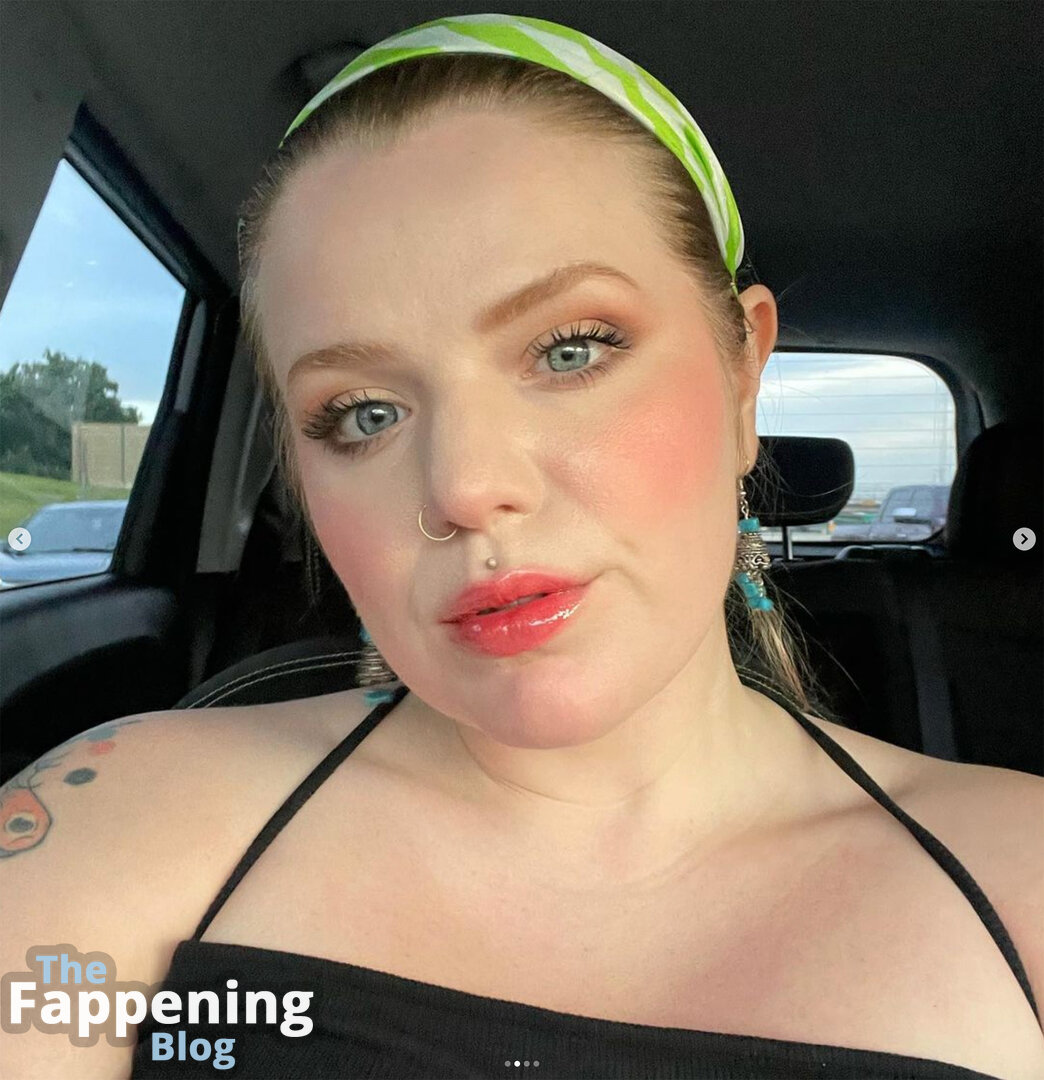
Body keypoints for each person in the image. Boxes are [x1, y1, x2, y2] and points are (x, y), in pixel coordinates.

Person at [2, 13, 1042, 1080]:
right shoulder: (115, 820)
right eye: (363, 414)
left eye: (570, 351)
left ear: (743, 378)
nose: (463, 488)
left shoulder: (1023, 882)